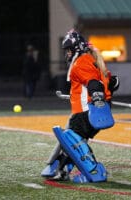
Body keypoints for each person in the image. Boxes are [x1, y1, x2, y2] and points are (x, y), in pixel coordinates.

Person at [41, 29, 119, 182]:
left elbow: (93, 82)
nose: (67, 54)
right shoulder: (92, 60)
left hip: (87, 110)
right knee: (73, 142)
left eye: (69, 50)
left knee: (72, 138)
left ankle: (95, 170)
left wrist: (96, 97)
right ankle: (61, 169)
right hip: (96, 109)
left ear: (77, 48)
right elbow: (113, 82)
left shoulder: (81, 61)